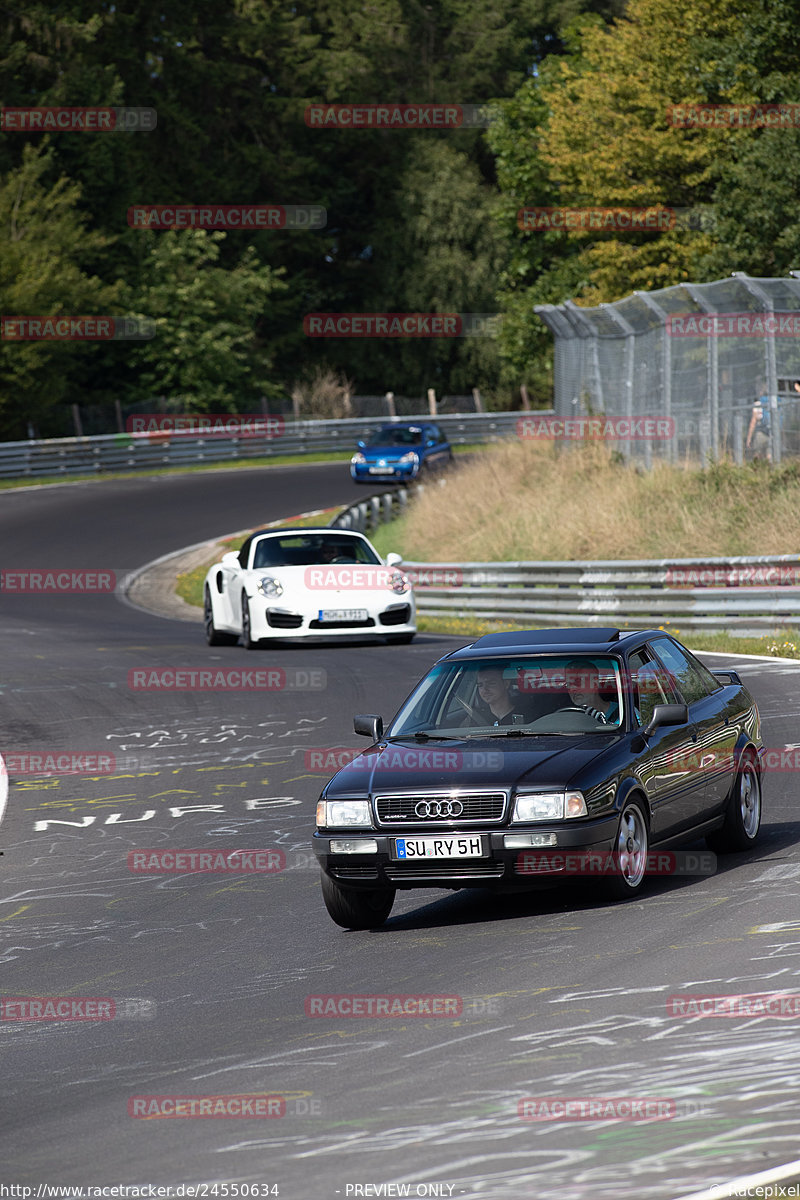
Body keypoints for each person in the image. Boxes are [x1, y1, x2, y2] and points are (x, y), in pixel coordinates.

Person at [564, 660, 621, 725]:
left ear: (595, 683)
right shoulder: (566, 719)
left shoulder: (624, 713)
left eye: (578, 682)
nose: (572, 689)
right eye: (568, 684)